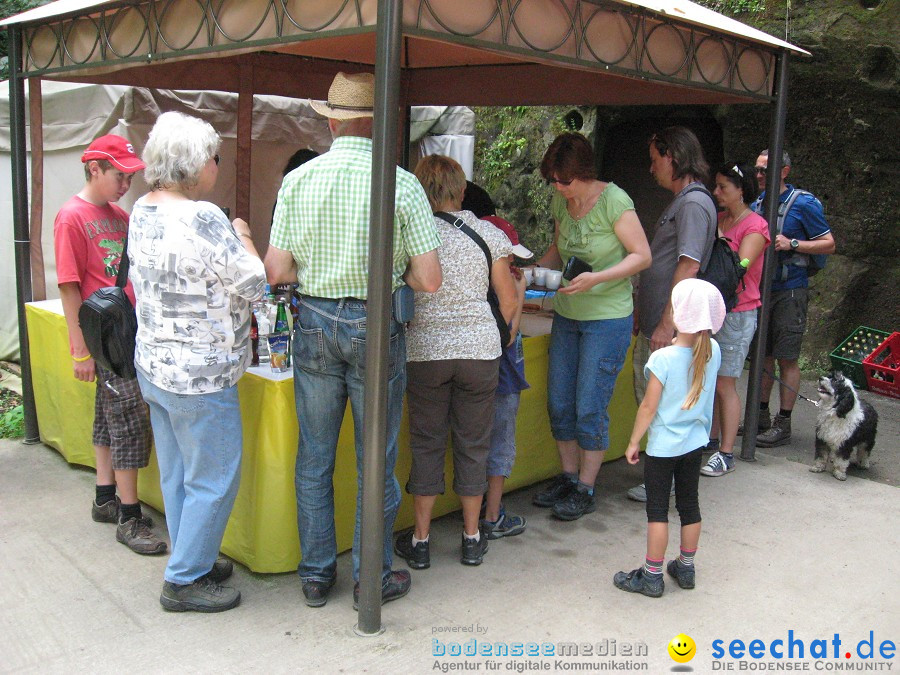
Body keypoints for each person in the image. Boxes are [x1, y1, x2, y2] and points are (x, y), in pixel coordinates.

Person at [264, 72, 442, 609]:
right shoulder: (402, 183)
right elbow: (429, 279)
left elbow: (276, 270)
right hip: (375, 322)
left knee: (314, 456)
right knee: (376, 460)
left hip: (314, 320)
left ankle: (317, 575)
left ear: (333, 120)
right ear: (379, 119)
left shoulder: (299, 180)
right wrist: (392, 274)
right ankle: (373, 577)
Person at [129, 112, 267, 612]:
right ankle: (184, 579)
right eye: (214, 157)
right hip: (202, 374)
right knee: (212, 478)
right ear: (194, 165)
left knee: (179, 474)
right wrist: (244, 234)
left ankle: (195, 554)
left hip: (156, 365)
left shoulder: (140, 209)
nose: (217, 165)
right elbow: (255, 283)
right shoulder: (204, 217)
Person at [393, 156, 518, 570]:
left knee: (426, 444)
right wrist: (501, 337)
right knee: (474, 444)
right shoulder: (488, 234)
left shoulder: (412, 234)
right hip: (479, 354)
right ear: (462, 191)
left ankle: (422, 539)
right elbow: (509, 299)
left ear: (421, 192)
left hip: (425, 352)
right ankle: (471, 537)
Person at [53, 134, 167, 556]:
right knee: (130, 420)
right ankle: (129, 515)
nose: (125, 184)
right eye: (120, 176)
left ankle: (105, 496)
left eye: (130, 177)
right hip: (105, 337)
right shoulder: (70, 216)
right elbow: (68, 286)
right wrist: (79, 348)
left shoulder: (120, 214)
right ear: (95, 168)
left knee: (108, 413)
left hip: (126, 329)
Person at [531, 132, 651, 521]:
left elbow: (642, 256)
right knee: (560, 401)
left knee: (589, 406)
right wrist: (533, 269)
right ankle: (568, 477)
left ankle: (586, 486)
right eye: (553, 180)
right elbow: (556, 249)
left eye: (564, 180)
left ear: (583, 173)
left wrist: (598, 278)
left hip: (607, 317)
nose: (558, 187)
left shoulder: (614, 201)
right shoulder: (560, 201)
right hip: (568, 312)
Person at [613, 279, 724, 597]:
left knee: (658, 510)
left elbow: (648, 406)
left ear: (677, 315)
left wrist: (634, 441)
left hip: (663, 447)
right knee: (689, 504)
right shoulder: (712, 350)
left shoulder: (662, 359)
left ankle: (651, 576)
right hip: (695, 443)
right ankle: (686, 568)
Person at [627, 126, 717, 503]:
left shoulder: (693, 204)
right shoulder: (686, 201)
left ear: (673, 157)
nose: (651, 169)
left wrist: (667, 322)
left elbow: (689, 265)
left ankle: (662, 479)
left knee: (661, 406)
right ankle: (663, 477)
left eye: (654, 160)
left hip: (669, 330)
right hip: (660, 323)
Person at [750, 149, 835, 447]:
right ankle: (758, 415)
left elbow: (829, 243)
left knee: (787, 356)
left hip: (790, 291)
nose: (759, 175)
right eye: (757, 170)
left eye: (765, 170)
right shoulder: (757, 204)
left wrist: (792, 243)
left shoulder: (804, 204)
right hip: (762, 289)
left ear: (784, 171)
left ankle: (783, 422)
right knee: (763, 355)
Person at [700, 163, 769, 477]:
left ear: (741, 190)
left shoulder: (755, 226)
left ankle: (726, 452)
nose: (717, 193)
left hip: (738, 313)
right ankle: (710, 439)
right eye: (716, 187)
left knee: (726, 383)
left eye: (723, 188)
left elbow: (738, 267)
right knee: (709, 379)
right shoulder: (722, 219)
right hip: (713, 310)